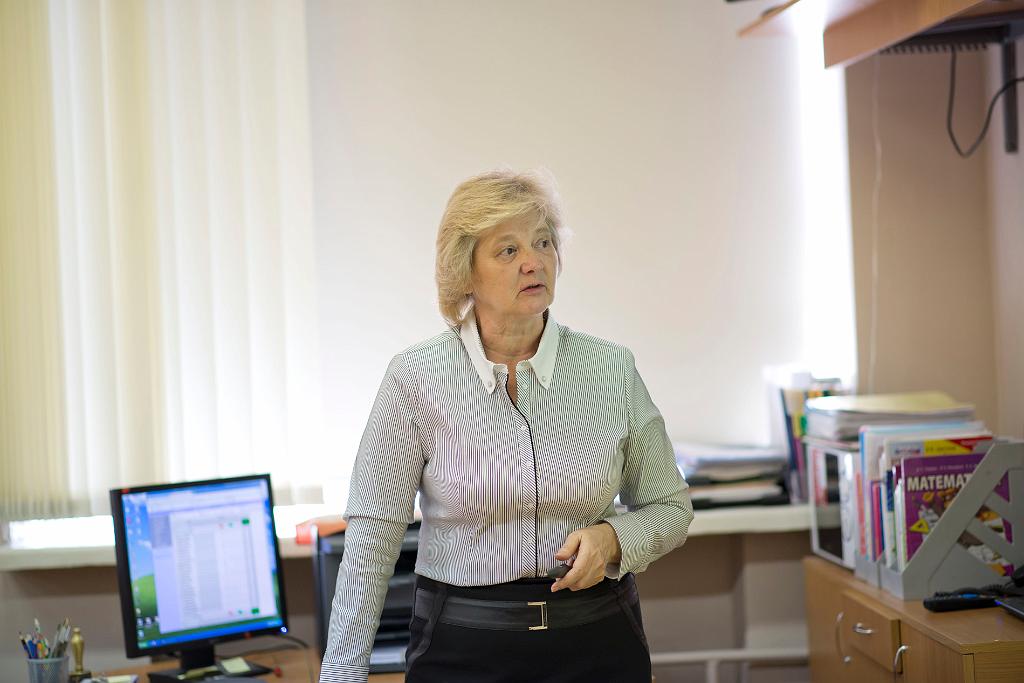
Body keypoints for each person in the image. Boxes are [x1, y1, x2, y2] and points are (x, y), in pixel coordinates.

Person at [320, 169, 693, 683]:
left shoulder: (612, 369)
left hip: (598, 641)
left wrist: (613, 538)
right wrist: (342, 673)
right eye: (508, 250)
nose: (533, 261)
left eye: (543, 242)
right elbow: (373, 533)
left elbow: (670, 507)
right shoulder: (416, 377)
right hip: (461, 650)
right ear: (465, 272)